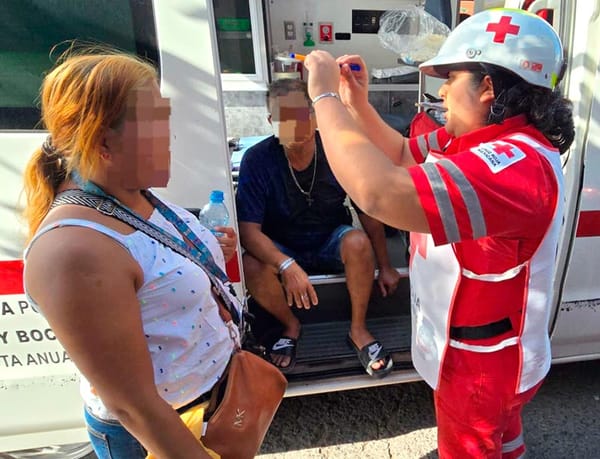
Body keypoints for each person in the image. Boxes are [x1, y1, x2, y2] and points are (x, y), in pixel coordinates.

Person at [303, 8, 574, 458]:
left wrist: (323, 98)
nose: (442, 90)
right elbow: (401, 154)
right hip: (489, 352)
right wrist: (356, 103)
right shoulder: (477, 140)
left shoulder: (515, 166)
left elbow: (378, 192)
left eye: (451, 77)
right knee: (505, 438)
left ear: (488, 88)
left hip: (480, 367)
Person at [22, 49, 241, 458]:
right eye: (158, 121)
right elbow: (134, 407)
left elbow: (154, 267)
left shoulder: (130, 193)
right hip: (163, 434)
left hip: (206, 403)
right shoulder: (73, 250)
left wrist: (200, 258)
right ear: (105, 142)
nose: (171, 135)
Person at [236, 78, 401, 377]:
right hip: (282, 247)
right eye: (283, 117)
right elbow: (248, 230)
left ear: (312, 116)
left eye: (299, 114)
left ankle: (358, 329)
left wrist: (386, 266)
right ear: (272, 121)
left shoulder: (337, 151)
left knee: (357, 242)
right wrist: (286, 265)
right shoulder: (257, 159)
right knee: (249, 263)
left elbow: (366, 210)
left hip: (328, 239)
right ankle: (290, 325)